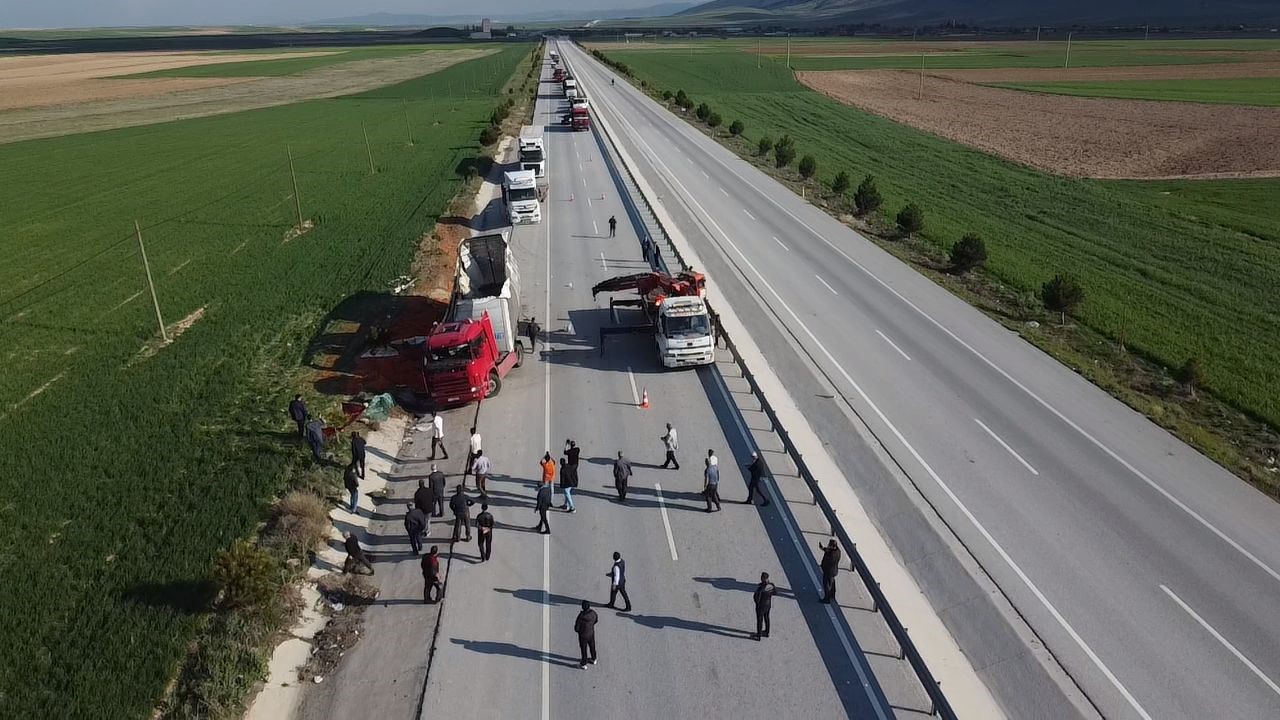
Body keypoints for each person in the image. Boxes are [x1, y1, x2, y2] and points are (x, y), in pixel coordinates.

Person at [575, 600, 599, 669]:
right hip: (591, 633)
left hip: (583, 635)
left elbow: (576, 628)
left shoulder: (581, 616)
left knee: (584, 649)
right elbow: (596, 620)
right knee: (592, 646)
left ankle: (583, 663)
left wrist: (579, 631)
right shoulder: (593, 613)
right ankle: (594, 658)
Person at [752, 572, 776, 640]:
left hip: (761, 606)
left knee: (760, 620)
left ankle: (758, 635)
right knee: (767, 617)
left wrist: (757, 604)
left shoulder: (760, 588)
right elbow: (775, 592)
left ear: (762, 578)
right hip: (768, 605)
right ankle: (766, 632)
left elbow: (756, 598)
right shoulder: (771, 585)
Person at [819, 539, 841, 603]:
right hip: (834, 571)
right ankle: (832, 595)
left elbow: (827, 559)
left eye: (829, 545)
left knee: (827, 584)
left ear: (832, 546)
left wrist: (822, 567)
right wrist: (823, 548)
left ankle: (827, 599)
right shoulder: (838, 551)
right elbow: (828, 551)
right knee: (832, 583)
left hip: (828, 571)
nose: (828, 546)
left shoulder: (832, 554)